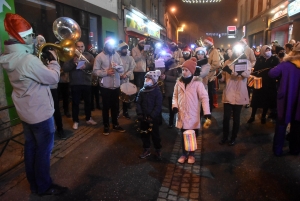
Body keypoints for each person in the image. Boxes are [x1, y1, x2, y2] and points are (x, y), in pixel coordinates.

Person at [0, 13, 68, 195]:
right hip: (39, 113)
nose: (32, 39)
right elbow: (53, 78)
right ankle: (44, 186)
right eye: (30, 36)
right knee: (43, 151)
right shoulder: (28, 60)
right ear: (21, 38)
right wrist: (53, 60)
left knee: (31, 148)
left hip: (25, 112)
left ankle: (34, 184)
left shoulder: (9, 56)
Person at [172, 57, 211, 164]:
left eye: (186, 70)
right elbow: (174, 96)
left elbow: (204, 97)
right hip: (182, 114)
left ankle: (192, 154)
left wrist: (207, 112)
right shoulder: (178, 82)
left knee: (192, 136)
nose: (183, 72)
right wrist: (175, 106)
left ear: (192, 71)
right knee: (183, 135)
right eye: (183, 70)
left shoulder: (197, 83)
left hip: (193, 114)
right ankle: (184, 154)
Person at [269, 42, 300, 156]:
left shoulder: (286, 64)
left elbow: (272, 73)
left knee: (281, 124)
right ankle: (295, 149)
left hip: (286, 98)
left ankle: (278, 150)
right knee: (297, 126)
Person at [219, 44, 251, 146]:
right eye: (235, 51)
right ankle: (225, 136)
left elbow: (246, 74)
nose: (237, 53)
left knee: (236, 118)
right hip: (229, 92)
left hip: (240, 93)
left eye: (239, 50)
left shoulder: (246, 62)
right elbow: (223, 79)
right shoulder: (227, 62)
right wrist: (219, 76)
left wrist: (234, 70)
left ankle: (233, 137)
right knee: (226, 118)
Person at [93, 37, 125, 135]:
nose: (111, 47)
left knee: (115, 106)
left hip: (116, 85)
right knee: (106, 107)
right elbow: (95, 71)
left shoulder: (117, 55)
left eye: (112, 45)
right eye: (109, 45)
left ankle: (115, 124)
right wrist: (106, 72)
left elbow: (122, 68)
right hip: (105, 86)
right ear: (105, 45)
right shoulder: (99, 56)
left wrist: (118, 68)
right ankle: (106, 125)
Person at [63, 41, 97, 129]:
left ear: (84, 47)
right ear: (75, 47)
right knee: (75, 103)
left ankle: (88, 118)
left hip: (87, 82)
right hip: (75, 83)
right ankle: (75, 121)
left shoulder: (89, 56)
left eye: (82, 46)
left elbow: (94, 65)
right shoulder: (70, 56)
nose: (80, 48)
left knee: (88, 102)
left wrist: (86, 66)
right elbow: (65, 68)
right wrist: (72, 62)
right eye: (78, 47)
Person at [247, 45, 280, 124]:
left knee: (266, 101)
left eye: (269, 50)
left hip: (270, 83)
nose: (268, 51)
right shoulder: (260, 59)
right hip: (259, 82)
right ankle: (252, 116)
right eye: (266, 50)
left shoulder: (274, 59)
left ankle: (263, 116)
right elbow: (256, 70)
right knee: (256, 100)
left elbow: (277, 69)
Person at [136, 70, 163, 160]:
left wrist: (152, 116)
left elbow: (158, 106)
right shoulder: (142, 91)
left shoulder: (157, 92)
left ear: (154, 80)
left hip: (153, 118)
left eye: (149, 79)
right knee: (144, 134)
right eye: (146, 78)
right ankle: (146, 149)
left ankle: (158, 149)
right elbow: (138, 102)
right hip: (143, 117)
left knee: (155, 135)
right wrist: (139, 113)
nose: (146, 80)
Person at [159, 56, 180, 128]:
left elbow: (177, 77)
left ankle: (171, 122)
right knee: (159, 104)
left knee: (171, 106)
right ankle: (160, 120)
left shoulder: (174, 65)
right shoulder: (163, 64)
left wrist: (166, 77)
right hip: (163, 88)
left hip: (171, 89)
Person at [117, 40, 136, 119]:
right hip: (118, 80)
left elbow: (132, 68)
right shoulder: (117, 57)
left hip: (126, 80)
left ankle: (125, 112)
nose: (125, 50)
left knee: (125, 97)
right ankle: (117, 112)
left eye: (126, 49)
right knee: (117, 97)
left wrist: (126, 75)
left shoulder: (130, 58)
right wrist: (120, 75)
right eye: (123, 49)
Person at [203, 37, 220, 112]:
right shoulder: (206, 51)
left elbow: (215, 64)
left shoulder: (214, 51)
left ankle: (210, 108)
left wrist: (207, 70)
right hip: (204, 76)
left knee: (210, 92)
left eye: (206, 43)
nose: (204, 44)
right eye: (204, 43)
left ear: (210, 44)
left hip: (210, 76)